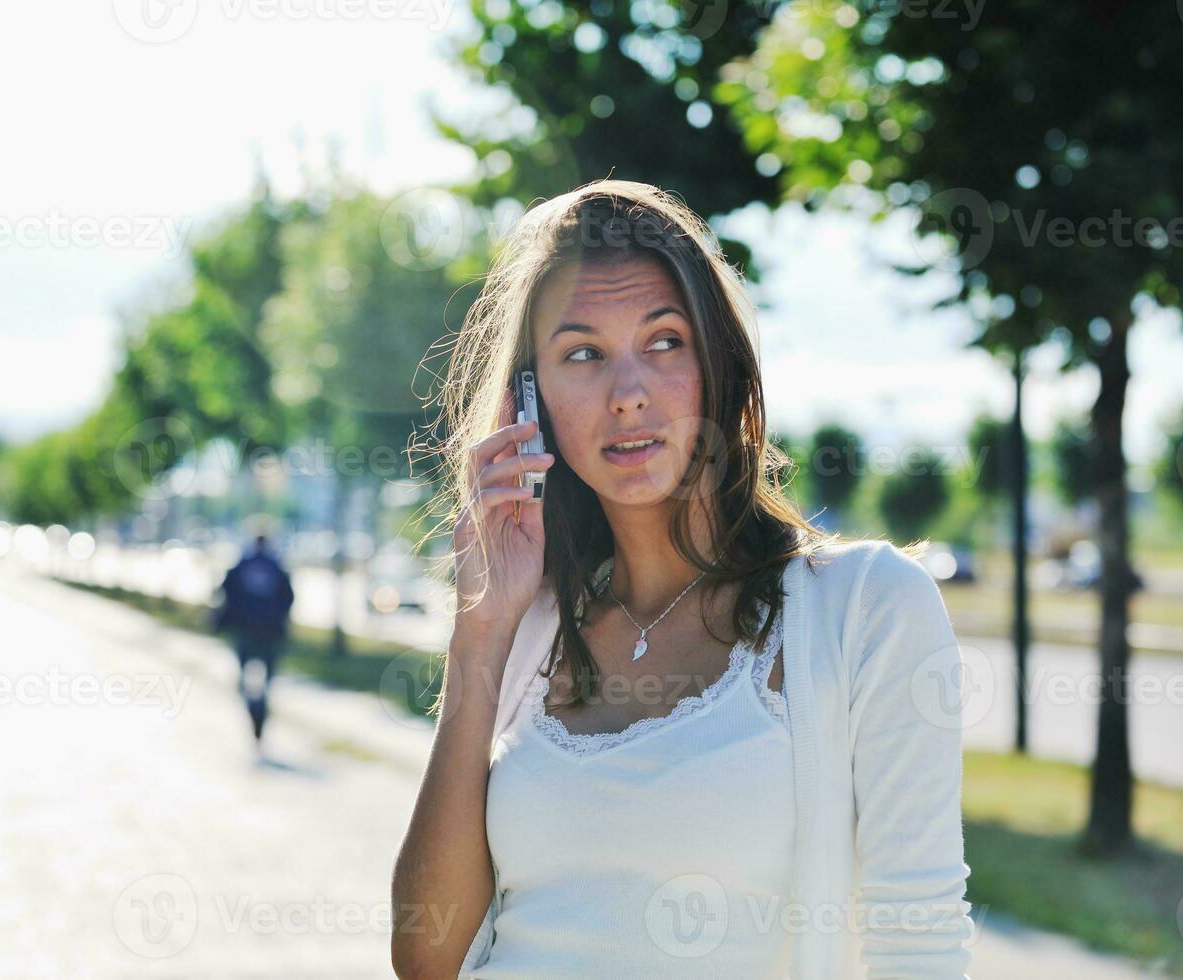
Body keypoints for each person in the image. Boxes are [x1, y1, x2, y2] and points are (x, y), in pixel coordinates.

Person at [391, 181, 977, 978]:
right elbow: (427, 958)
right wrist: (481, 629)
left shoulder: (867, 610)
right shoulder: (527, 628)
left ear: (721, 366)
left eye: (664, 342)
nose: (627, 395)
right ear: (529, 406)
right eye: (582, 354)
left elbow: (921, 948)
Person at [211, 528, 294, 749]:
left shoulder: (242, 565)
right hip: (270, 633)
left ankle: (253, 709)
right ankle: (261, 710)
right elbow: (289, 598)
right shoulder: (277, 568)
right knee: (266, 679)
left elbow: (224, 592)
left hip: (244, 631)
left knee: (243, 678)